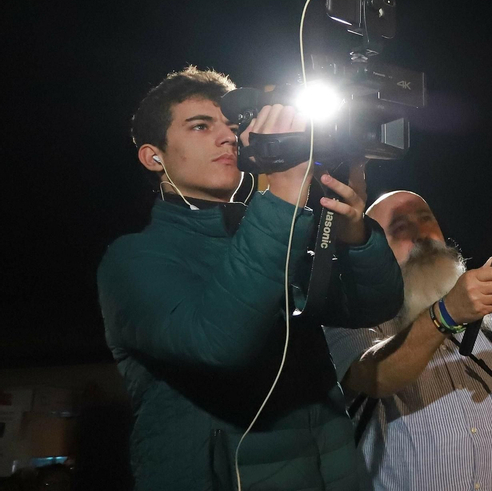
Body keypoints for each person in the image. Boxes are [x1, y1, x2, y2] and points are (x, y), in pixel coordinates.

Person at [98, 66, 404, 490]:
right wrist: (281, 195)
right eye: (201, 126)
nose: (228, 137)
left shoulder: (275, 228)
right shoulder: (132, 259)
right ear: (155, 156)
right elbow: (219, 342)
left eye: (232, 125)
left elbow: (375, 306)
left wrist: (355, 236)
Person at [324, 190, 492, 491]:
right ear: (371, 252)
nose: (422, 235)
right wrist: (448, 313)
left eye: (427, 220)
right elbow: (375, 376)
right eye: (400, 227)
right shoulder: (352, 314)